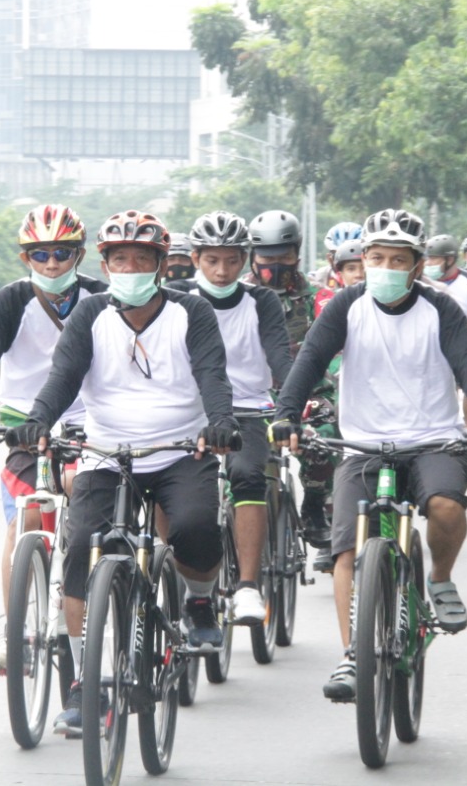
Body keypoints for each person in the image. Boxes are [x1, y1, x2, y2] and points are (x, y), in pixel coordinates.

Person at [8, 210, 241, 737]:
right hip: (105, 451)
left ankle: (200, 601)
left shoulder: (192, 313)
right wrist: (38, 420)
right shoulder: (89, 313)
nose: (129, 267)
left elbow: (211, 373)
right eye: (119, 259)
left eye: (141, 258)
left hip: (181, 449)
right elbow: (63, 377)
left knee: (196, 530)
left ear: (160, 265)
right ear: (105, 264)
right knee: (80, 551)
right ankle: (78, 681)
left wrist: (222, 422)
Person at [270, 208, 467, 702]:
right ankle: (352, 654)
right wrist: (287, 415)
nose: (385, 267)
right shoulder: (346, 305)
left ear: (416, 266)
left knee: (445, 506)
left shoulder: (441, 309)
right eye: (376, 258)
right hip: (362, 443)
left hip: (433, 439)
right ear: (363, 260)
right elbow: (309, 360)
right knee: (346, 548)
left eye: (397, 259)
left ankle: (440, 578)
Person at [0, 204, 106, 670]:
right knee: (25, 518)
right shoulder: (10, 302)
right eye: (40, 254)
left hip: (86, 419)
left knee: (82, 495)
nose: (51, 264)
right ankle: (16, 631)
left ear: (80, 254)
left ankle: (83, 581)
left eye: (61, 253)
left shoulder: (100, 298)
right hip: (24, 423)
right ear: (24, 258)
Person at [178, 210, 293, 624]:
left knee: (247, 474)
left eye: (231, 260)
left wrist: (294, 399)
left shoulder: (261, 301)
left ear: (245, 260)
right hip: (190, 412)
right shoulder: (176, 298)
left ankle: (247, 586)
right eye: (212, 260)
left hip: (247, 410)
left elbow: (280, 355)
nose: (222, 270)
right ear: (195, 259)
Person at [243, 209, 337, 548]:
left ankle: (314, 503)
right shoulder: (238, 297)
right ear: (252, 257)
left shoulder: (320, 297)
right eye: (267, 258)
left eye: (284, 257)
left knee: (324, 438)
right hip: (254, 396)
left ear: (297, 254)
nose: (275, 265)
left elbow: (337, 349)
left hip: (309, 394)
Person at [424, 233, 467, 315]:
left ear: (450, 260)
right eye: (426, 258)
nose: (427, 263)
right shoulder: (422, 282)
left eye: (433, 258)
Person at [310, 221, 363, 289]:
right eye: (339, 257)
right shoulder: (318, 279)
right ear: (329, 259)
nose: (357, 274)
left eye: (362, 267)